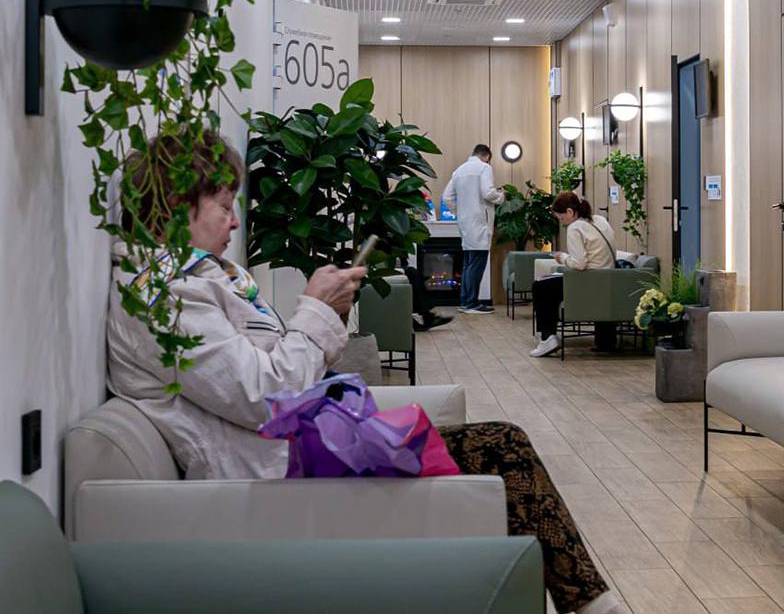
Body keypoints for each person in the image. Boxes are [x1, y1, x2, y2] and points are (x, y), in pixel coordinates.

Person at [106, 134, 623, 614]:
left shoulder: (199, 281)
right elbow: (266, 395)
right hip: (283, 476)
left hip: (305, 451)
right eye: (223, 207)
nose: (235, 223)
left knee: (504, 452)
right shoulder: (165, 298)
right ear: (177, 207)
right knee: (505, 448)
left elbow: (270, 374)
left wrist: (322, 313)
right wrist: (315, 309)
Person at [530, 192, 618, 358]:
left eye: (561, 218)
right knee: (550, 285)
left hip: (587, 282)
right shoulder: (600, 220)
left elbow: (579, 263)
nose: (561, 222)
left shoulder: (575, 228)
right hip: (608, 280)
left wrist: (562, 257)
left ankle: (547, 338)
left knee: (541, 286)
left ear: (570, 212)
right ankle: (606, 342)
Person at [441, 144, 504, 314]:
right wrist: (501, 196)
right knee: (477, 263)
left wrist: (460, 211)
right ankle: (471, 303)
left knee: (469, 263)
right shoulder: (484, 168)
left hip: (465, 222)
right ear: (487, 157)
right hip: (480, 222)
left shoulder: (459, 170)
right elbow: (488, 193)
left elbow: (446, 197)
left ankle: (465, 301)